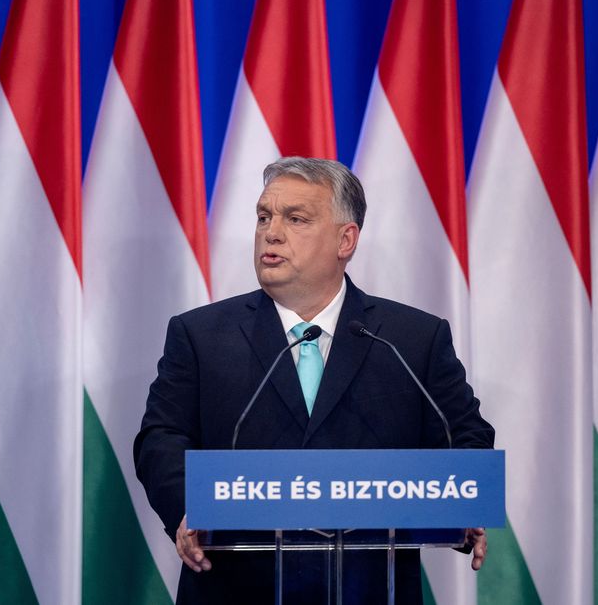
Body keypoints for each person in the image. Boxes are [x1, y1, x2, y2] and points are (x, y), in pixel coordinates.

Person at [134, 157, 495, 603]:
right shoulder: (201, 336)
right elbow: (161, 438)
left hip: (369, 587)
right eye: (264, 216)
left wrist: (464, 508)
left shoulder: (412, 339)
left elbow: (465, 436)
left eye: (296, 219)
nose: (271, 232)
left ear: (346, 239)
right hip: (236, 586)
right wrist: (188, 507)